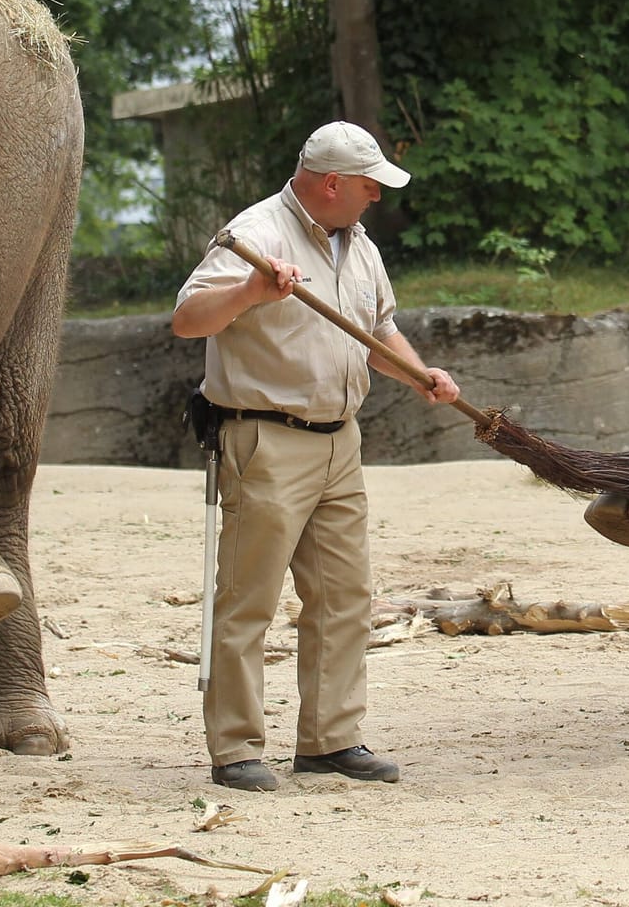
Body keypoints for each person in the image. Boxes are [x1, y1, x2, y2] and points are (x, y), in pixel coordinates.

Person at [172, 121, 460, 792]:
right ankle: (235, 747)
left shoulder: (358, 243)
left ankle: (330, 740)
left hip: (341, 440)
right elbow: (187, 318)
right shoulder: (258, 233)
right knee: (248, 599)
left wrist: (420, 376)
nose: (376, 199)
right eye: (369, 186)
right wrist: (249, 292)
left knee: (344, 596)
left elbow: (378, 328)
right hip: (265, 439)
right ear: (332, 183)